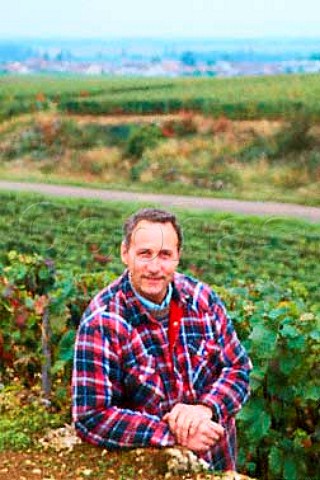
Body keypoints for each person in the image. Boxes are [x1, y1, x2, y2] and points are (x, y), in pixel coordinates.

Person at [72, 208, 252, 471]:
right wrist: (173, 433)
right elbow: (91, 416)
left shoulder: (202, 299)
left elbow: (238, 368)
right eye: (144, 254)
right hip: (153, 468)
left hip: (218, 463)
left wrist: (205, 409)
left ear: (178, 257)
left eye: (165, 254)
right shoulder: (102, 322)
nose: (154, 267)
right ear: (125, 253)